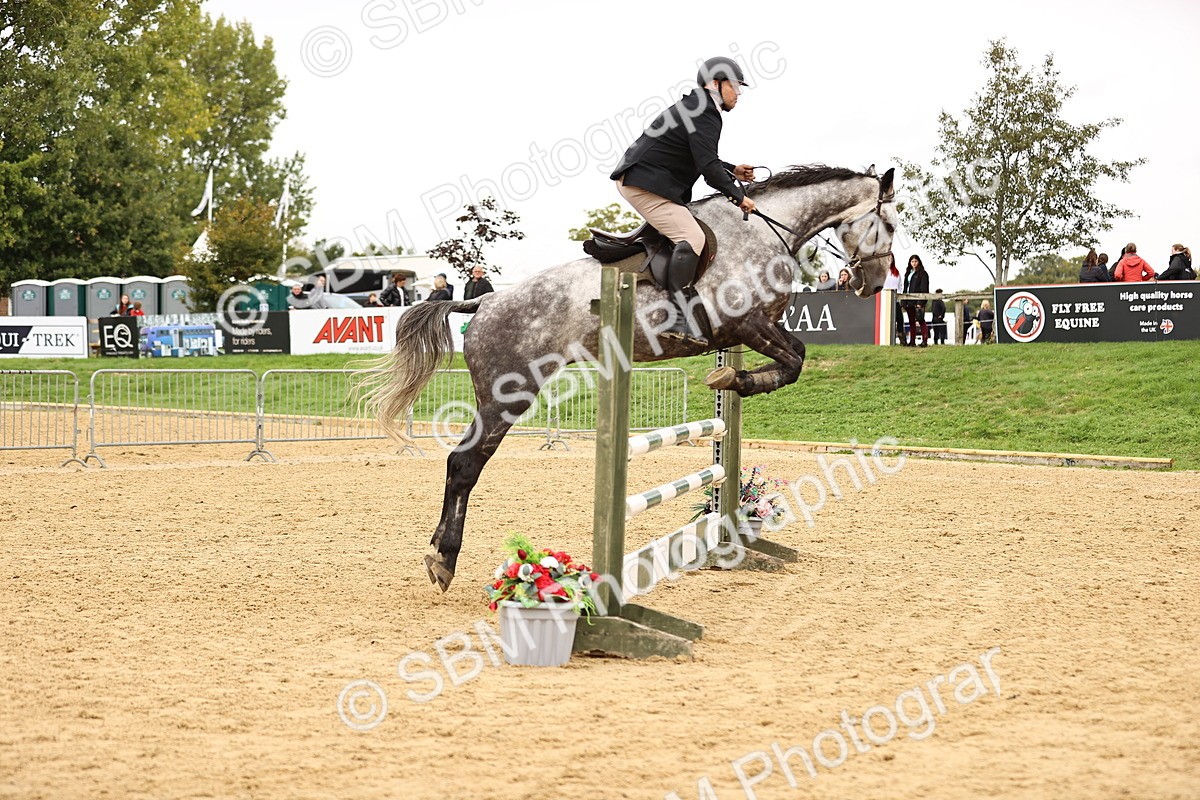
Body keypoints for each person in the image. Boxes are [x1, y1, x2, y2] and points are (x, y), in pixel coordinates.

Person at [609, 56, 756, 345]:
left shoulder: (696, 107)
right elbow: (707, 167)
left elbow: (701, 157)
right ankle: (675, 318)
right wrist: (739, 197)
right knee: (692, 238)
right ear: (715, 84)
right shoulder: (705, 112)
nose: (738, 94)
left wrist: (732, 170)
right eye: (735, 86)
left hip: (645, 180)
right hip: (644, 184)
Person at [903, 255, 929, 346]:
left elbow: (924, 288)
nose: (914, 263)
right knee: (911, 321)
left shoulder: (923, 273)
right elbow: (905, 287)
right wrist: (903, 301)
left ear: (919, 262)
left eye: (915, 261)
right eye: (912, 261)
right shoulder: (908, 273)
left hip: (918, 300)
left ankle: (924, 341)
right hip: (908, 300)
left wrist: (920, 302)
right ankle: (912, 341)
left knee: (921, 320)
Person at [883, 254, 903, 344]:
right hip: (885, 299)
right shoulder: (881, 271)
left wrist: (899, 296)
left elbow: (900, 285)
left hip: (895, 299)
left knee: (899, 319)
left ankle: (901, 337)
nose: (889, 260)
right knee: (887, 319)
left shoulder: (896, 272)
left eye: (891, 258)